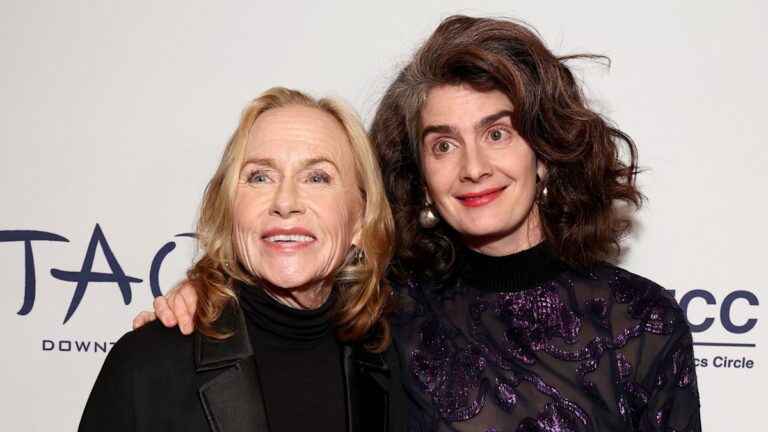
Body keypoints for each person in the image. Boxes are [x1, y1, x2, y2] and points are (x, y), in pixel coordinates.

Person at [136, 16, 702, 431]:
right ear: (421, 176)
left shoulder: (642, 323)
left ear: (545, 152)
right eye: (443, 144)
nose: (473, 167)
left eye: (497, 133)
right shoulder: (385, 312)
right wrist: (206, 291)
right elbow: (281, 306)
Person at [80, 87, 406, 432]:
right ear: (230, 209)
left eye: (317, 177)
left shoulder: (390, 362)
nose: (285, 202)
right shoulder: (147, 364)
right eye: (260, 177)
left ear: (359, 220)